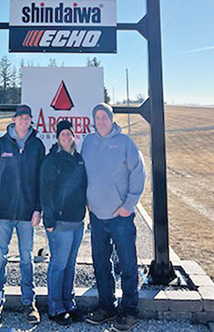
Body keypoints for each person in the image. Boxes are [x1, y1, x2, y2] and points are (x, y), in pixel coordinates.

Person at [82, 103, 146, 332]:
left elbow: (139, 172)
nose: (100, 121)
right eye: (97, 117)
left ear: (111, 119)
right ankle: (107, 306)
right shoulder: (88, 142)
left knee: (128, 264)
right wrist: (87, 202)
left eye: (104, 117)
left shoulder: (125, 143)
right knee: (101, 264)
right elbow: (84, 173)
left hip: (120, 216)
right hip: (97, 217)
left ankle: (129, 311)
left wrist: (128, 205)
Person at [0, 104, 45, 324]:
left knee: (27, 259)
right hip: (3, 212)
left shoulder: (37, 146)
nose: (23, 121)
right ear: (13, 120)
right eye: (20, 117)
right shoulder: (1, 146)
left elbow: (41, 181)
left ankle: (29, 303)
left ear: (30, 121)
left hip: (28, 215)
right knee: (0, 257)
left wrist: (38, 208)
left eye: (27, 118)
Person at [40, 119, 87, 325]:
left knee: (70, 264)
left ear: (73, 136)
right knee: (58, 264)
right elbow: (46, 191)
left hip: (77, 221)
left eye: (69, 134)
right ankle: (55, 307)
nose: (66, 137)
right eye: (62, 135)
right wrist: (48, 219)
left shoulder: (79, 159)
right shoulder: (52, 160)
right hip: (59, 222)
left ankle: (69, 303)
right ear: (57, 137)